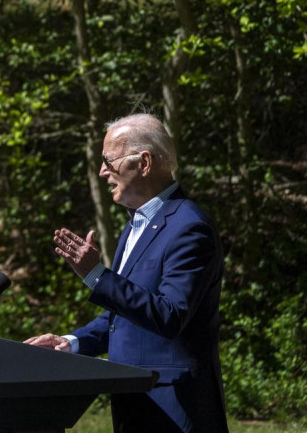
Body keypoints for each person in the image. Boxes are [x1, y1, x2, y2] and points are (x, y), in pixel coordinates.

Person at [25, 113, 227, 433]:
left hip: (174, 407)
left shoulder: (189, 227)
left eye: (109, 160)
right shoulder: (135, 223)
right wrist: (72, 343)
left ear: (144, 162)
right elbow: (123, 318)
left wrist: (97, 276)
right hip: (134, 402)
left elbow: (169, 314)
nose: (103, 171)